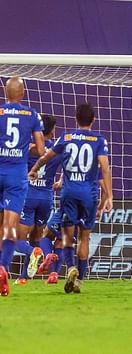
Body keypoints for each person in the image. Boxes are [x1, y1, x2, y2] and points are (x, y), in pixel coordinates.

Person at [29, 103, 113, 294]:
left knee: (66, 236)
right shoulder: (99, 140)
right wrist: (109, 195)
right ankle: (79, 280)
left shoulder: (66, 137)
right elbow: (105, 168)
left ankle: (70, 267)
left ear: (76, 118)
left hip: (69, 193)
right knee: (84, 237)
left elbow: (46, 156)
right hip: (89, 194)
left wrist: (34, 170)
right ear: (93, 120)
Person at [0, 76, 45, 296]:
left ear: (5, 93)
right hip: (17, 176)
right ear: (23, 93)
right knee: (9, 227)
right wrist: (21, 148)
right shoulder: (32, 115)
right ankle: (3, 269)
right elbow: (41, 148)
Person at [15, 114, 62, 285]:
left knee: (17, 239)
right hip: (46, 198)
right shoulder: (57, 150)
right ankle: (23, 277)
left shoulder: (28, 148)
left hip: (27, 197)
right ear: (52, 131)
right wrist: (61, 182)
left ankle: (36, 251)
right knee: (36, 236)